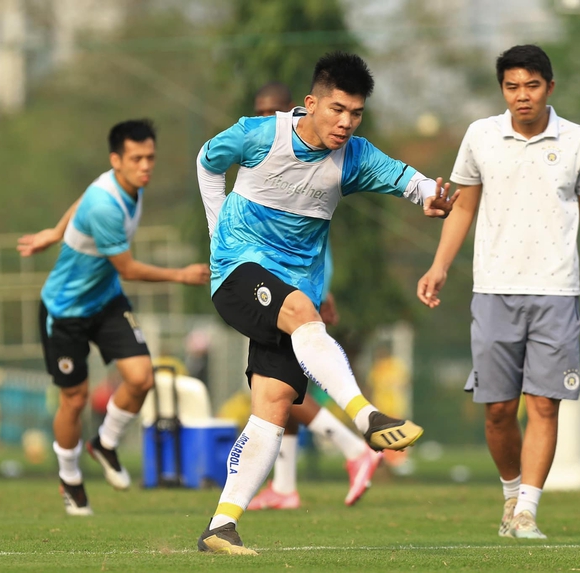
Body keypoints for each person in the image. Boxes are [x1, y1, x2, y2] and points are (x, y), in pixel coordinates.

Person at [195, 51, 457, 555]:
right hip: (239, 271)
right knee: (300, 312)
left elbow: (410, 180)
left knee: (273, 406)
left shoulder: (354, 156)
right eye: (337, 109)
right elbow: (208, 161)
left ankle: (221, 526)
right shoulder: (260, 133)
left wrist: (431, 197)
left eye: (355, 113)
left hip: (296, 290)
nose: (345, 122)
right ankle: (366, 419)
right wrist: (214, 234)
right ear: (311, 103)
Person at [417, 44, 580, 540]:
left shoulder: (579, 141)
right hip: (493, 289)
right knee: (500, 410)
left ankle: (527, 511)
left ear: (550, 87)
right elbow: (462, 207)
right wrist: (439, 265)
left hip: (557, 292)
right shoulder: (481, 135)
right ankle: (511, 494)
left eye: (531, 85)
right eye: (511, 86)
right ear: (502, 89)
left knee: (544, 404)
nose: (521, 96)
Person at [17, 119, 210, 516]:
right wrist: (180, 275)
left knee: (142, 377)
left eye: (150, 158)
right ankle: (70, 478)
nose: (145, 166)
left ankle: (104, 443)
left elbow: (81, 201)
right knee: (75, 399)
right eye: (136, 159)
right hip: (65, 312)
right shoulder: (107, 203)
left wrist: (53, 233)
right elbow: (127, 268)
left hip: (105, 301)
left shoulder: (120, 186)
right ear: (116, 160)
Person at [246, 80, 384, 511]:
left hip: (294, 290)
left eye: (274, 111)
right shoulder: (262, 155)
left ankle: (354, 446)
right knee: (270, 384)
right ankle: (284, 486)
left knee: (278, 387)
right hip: (264, 283)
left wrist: (321, 293)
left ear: (294, 110)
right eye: (261, 111)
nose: (268, 119)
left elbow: (313, 240)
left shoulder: (318, 159)